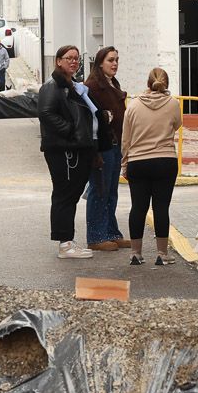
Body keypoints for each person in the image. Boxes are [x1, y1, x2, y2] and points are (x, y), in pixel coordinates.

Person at [36, 44, 98, 259]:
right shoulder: (52, 87)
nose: (73, 61)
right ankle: (65, 245)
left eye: (76, 58)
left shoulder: (72, 86)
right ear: (58, 61)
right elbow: (45, 113)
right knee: (64, 195)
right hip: (63, 151)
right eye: (69, 58)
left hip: (76, 149)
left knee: (70, 196)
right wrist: (71, 132)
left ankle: (68, 241)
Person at [120, 67, 184, 265]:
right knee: (161, 207)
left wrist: (125, 164)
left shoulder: (133, 105)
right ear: (166, 84)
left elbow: (126, 139)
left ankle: (135, 253)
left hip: (138, 162)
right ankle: (162, 253)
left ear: (148, 83)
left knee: (138, 207)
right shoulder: (173, 104)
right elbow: (177, 125)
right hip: (165, 161)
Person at [83, 46, 128, 252]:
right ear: (100, 63)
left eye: (117, 60)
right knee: (99, 190)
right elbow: (90, 118)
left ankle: (111, 232)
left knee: (111, 191)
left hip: (115, 145)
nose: (115, 63)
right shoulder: (92, 86)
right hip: (101, 146)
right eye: (111, 60)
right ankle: (96, 236)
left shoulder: (112, 83)